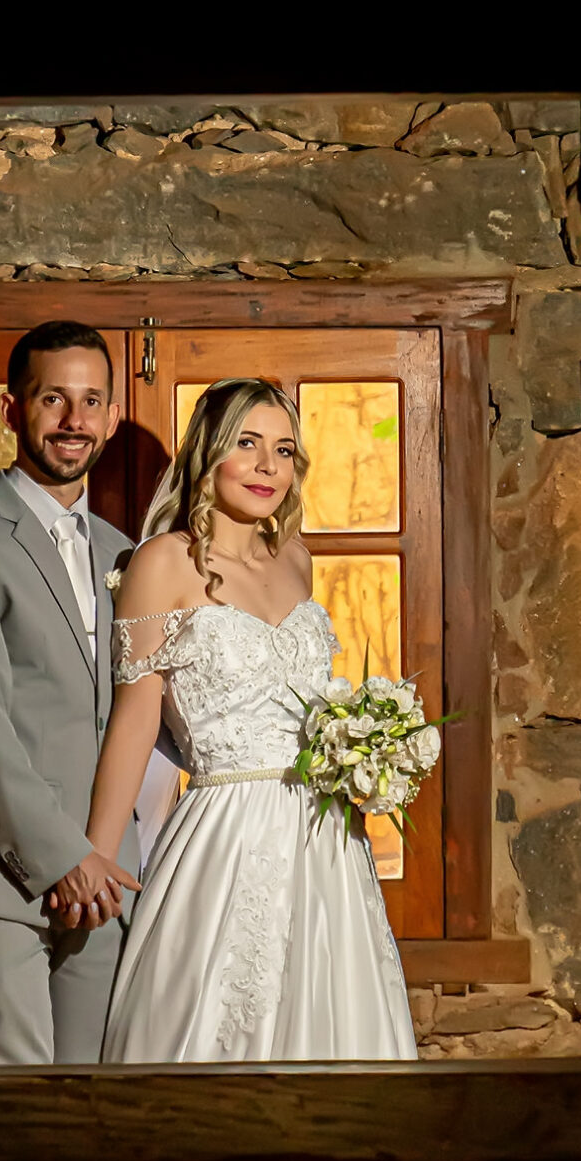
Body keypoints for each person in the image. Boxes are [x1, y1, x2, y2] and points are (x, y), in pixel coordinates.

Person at [74, 379, 418, 1064]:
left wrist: (360, 753)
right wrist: (97, 854)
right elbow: (135, 722)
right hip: (225, 831)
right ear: (209, 453)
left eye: (284, 450)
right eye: (247, 443)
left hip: (325, 835)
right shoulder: (162, 562)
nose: (268, 466)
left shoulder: (296, 559)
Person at [0, 321, 144, 1063]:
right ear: (11, 410)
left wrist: (102, 856)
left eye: (91, 401)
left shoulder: (122, 554)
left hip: (106, 879)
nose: (74, 420)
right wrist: (61, 857)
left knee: (89, 1103)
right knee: (11, 1102)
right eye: (52, 399)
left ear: (112, 416)